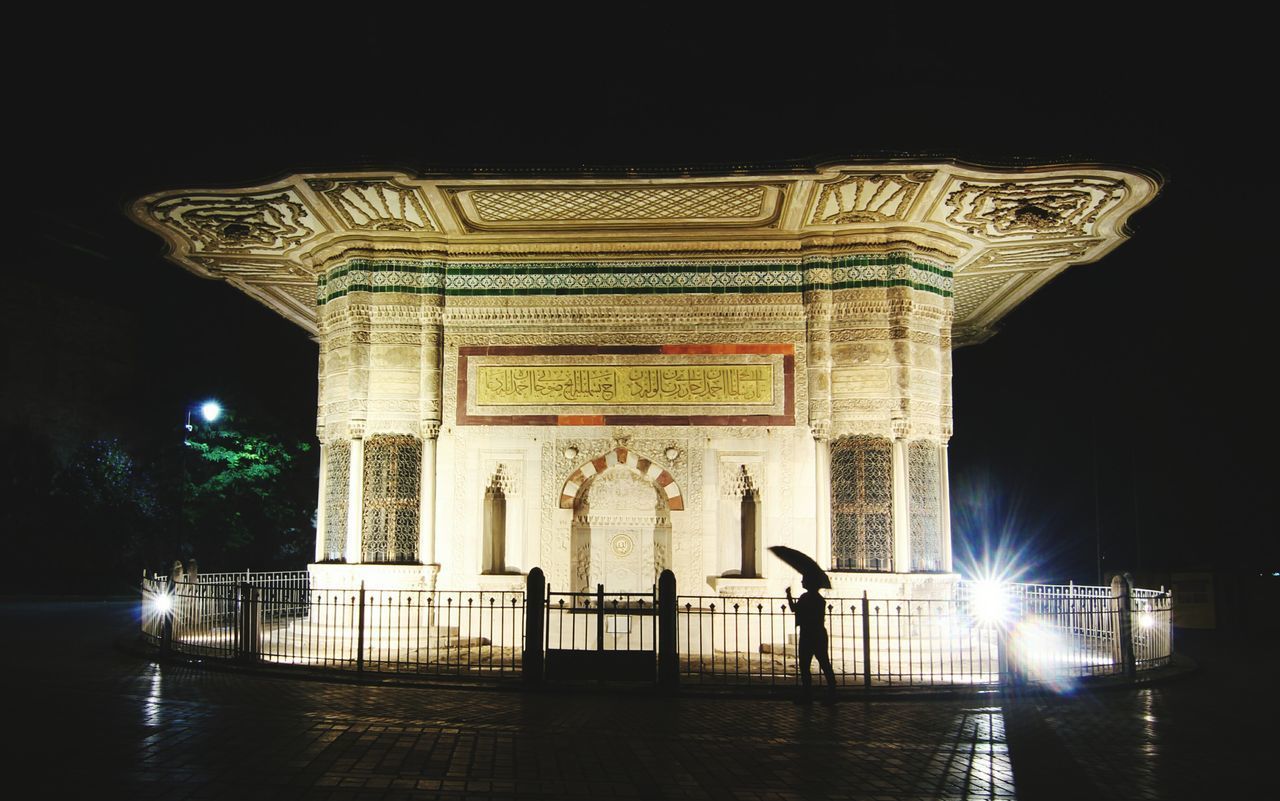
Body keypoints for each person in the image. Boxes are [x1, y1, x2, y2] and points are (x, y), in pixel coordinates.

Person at [787, 575, 837, 704]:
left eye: (804, 580)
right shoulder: (820, 600)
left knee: (805, 665)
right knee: (824, 664)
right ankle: (832, 693)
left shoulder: (806, 598)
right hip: (818, 633)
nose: (802, 582)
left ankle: (808, 695)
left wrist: (788, 595)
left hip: (808, 634)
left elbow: (794, 609)